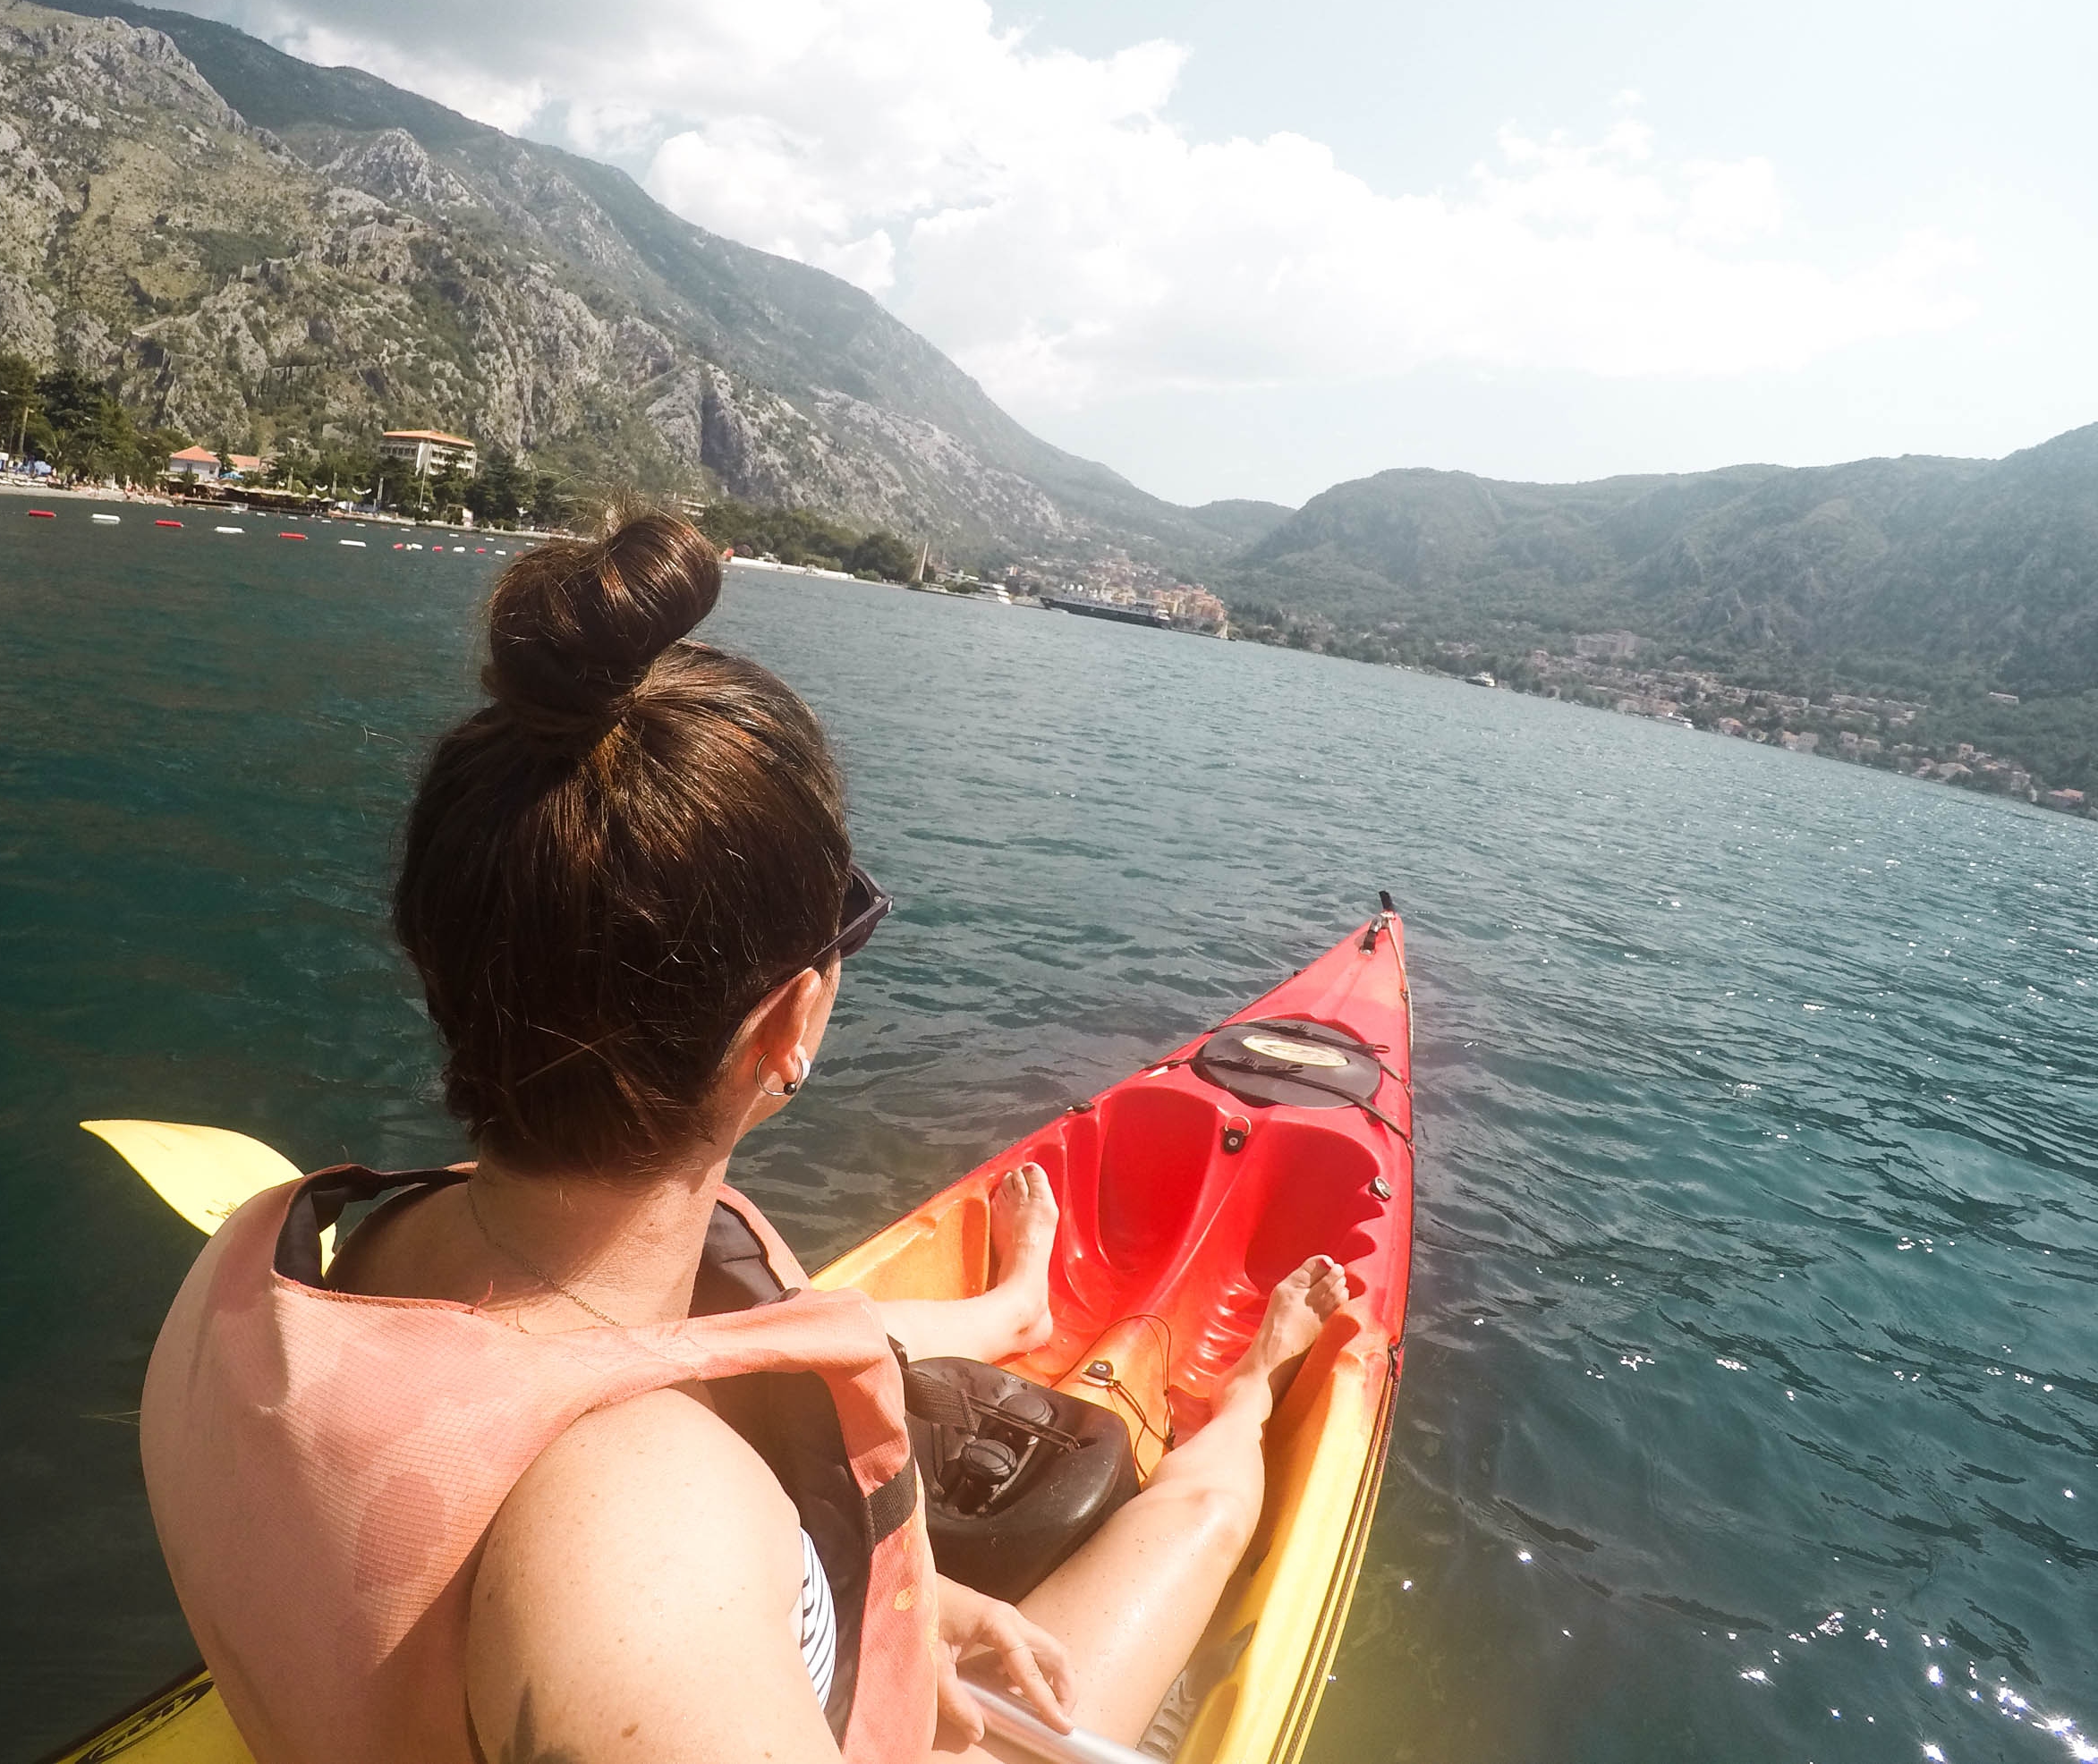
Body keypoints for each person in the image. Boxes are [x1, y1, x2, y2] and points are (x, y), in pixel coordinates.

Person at [139, 512, 1345, 1764]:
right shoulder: (639, 1525)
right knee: (1201, 1508)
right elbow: (630, 1583)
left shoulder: (257, 1258)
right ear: (793, 1019)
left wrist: (911, 1623)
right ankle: (1253, 1395)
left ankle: (1035, 1337)